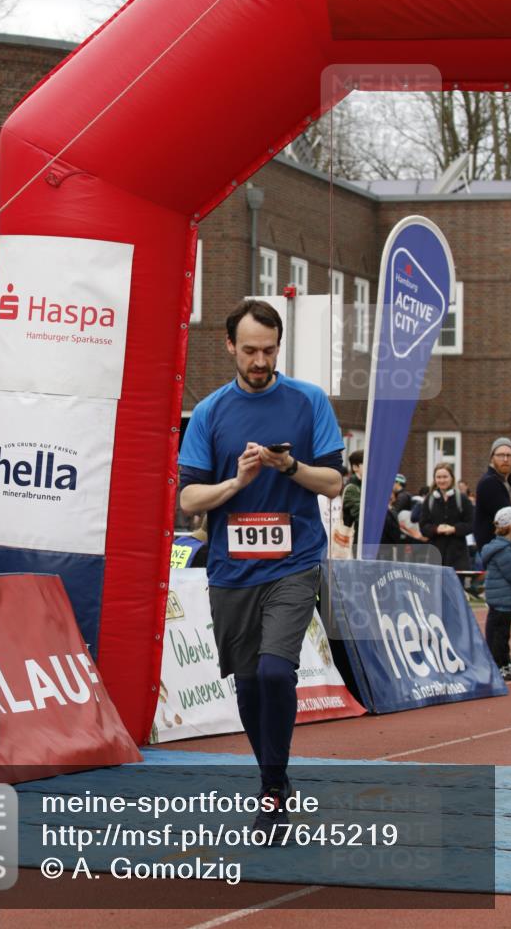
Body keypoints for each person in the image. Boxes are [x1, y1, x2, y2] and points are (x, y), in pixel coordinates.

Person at [178, 299, 343, 841]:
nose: (259, 361)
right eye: (249, 350)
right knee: (248, 685)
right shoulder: (210, 413)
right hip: (231, 569)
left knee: (276, 671)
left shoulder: (308, 401)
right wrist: (237, 483)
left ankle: (272, 787)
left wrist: (289, 466)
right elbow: (188, 500)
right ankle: (274, 777)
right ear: (230, 345)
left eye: (269, 351)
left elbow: (334, 483)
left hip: (293, 563)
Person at [418, 462, 474, 573]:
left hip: (458, 557)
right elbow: (423, 526)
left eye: (445, 477)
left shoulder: (462, 499)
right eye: (438, 477)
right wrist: (436, 529)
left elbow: (471, 524)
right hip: (435, 557)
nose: (442, 480)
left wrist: (454, 529)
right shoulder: (429, 500)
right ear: (434, 479)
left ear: (452, 478)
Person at [481, 507, 511, 682]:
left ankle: (505, 662)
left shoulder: (506, 548)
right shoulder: (503, 551)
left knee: (503, 635)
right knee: (498, 637)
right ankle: (498, 665)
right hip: (502, 601)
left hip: (505, 600)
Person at [474, 437, 511, 551]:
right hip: (495, 550)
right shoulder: (489, 483)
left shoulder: (510, 484)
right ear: (492, 458)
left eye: (509, 455)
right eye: (500, 455)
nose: (505, 459)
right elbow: (509, 516)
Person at [341, 449, 363, 532]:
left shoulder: (364, 485)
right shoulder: (351, 488)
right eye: (366, 464)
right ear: (355, 467)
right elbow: (361, 515)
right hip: (354, 535)